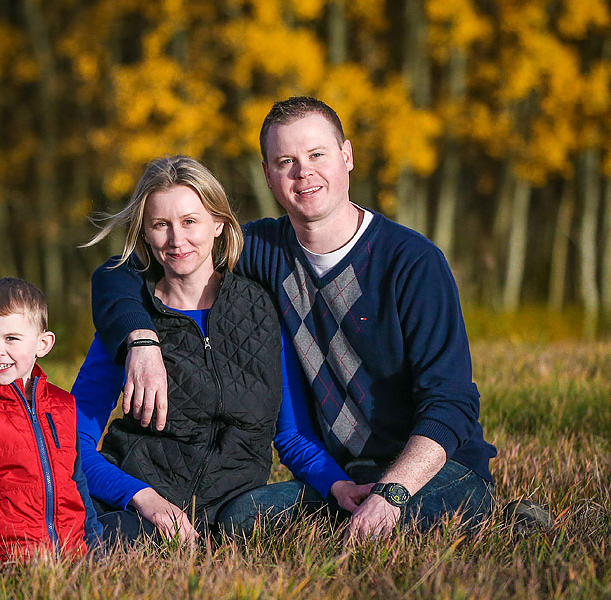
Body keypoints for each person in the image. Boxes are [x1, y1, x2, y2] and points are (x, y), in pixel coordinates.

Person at [91, 98, 497, 539]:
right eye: (286, 161)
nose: (304, 172)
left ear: (347, 156)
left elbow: (451, 404)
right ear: (268, 174)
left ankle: (496, 519)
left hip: (431, 472)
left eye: (317, 155)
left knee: (412, 517)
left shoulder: (413, 263)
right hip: (339, 477)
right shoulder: (262, 250)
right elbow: (132, 269)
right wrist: (141, 339)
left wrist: (391, 495)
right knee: (237, 521)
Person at [73, 156, 371, 544]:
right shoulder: (129, 323)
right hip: (142, 507)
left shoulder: (262, 310)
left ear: (218, 224)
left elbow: (292, 435)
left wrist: (338, 485)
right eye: (161, 225)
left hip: (239, 507)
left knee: (305, 518)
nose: (177, 240)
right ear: (144, 234)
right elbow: (71, 441)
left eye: (190, 221)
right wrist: (142, 499)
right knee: (100, 541)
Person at [0, 277, 102, 563]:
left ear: (43, 343)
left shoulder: (63, 406)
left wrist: (96, 547)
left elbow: (78, 482)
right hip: (5, 560)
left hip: (73, 556)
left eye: (11, 338)